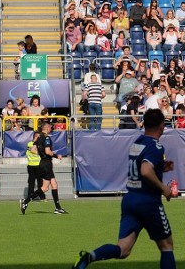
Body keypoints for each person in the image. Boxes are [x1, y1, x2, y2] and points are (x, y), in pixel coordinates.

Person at [73, 109, 176, 269]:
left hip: (130, 199)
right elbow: (145, 170)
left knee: (123, 249)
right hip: (148, 201)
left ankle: (89, 257)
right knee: (166, 245)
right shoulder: (156, 146)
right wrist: (164, 188)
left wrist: (161, 167)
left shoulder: (137, 142)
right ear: (162, 126)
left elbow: (141, 167)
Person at [21, 121, 67, 214]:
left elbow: (33, 150)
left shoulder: (39, 137)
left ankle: (57, 208)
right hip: (46, 164)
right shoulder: (46, 138)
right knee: (46, 187)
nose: (51, 129)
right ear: (46, 128)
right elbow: (47, 151)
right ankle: (26, 202)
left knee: (50, 186)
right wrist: (56, 156)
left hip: (42, 162)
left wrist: (41, 154)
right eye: (50, 127)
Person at [20, 131, 43, 212]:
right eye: (39, 137)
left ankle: (41, 196)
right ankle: (30, 196)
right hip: (31, 165)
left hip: (38, 165)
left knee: (40, 181)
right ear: (36, 137)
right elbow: (34, 151)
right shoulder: (30, 144)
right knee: (31, 182)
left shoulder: (37, 144)